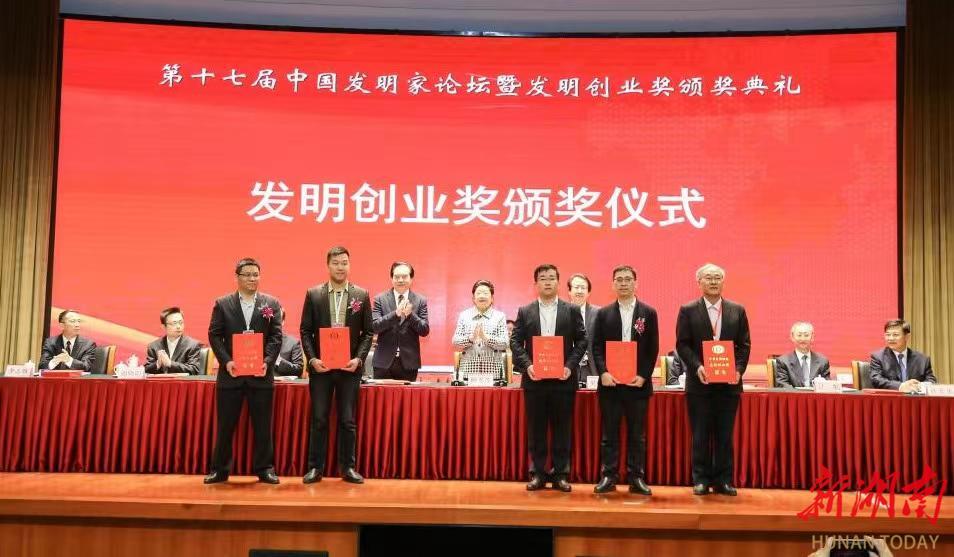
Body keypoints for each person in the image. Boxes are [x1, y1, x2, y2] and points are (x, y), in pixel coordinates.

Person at [204, 258, 283, 485]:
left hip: (261, 376)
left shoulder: (271, 303)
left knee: (263, 426)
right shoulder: (223, 304)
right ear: (237, 277)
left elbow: (276, 336)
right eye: (247, 274)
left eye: (255, 274)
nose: (252, 278)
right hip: (231, 376)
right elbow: (214, 335)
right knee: (225, 426)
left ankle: (265, 469)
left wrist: (267, 361)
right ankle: (220, 470)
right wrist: (226, 361)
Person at [300, 246, 373, 485]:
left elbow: (368, 333)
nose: (340, 267)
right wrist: (312, 359)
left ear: (349, 265)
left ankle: (348, 468)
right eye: (336, 263)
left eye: (344, 263)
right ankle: (315, 468)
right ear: (328, 265)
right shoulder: (314, 294)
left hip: (349, 368)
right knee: (319, 419)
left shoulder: (361, 295)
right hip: (321, 368)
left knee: (347, 420)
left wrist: (358, 359)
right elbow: (305, 331)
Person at [676, 263, 750, 497]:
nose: (714, 281)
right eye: (708, 277)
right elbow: (682, 344)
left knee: (724, 435)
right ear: (699, 282)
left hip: (729, 385)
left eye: (718, 277)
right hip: (700, 384)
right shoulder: (688, 310)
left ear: (723, 282)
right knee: (700, 434)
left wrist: (738, 369)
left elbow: (744, 345)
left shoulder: (737, 310)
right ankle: (700, 479)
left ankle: (724, 480)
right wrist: (697, 366)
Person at [510, 264, 586, 492]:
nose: (548, 282)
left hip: (563, 380)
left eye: (552, 278)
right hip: (535, 380)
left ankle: (561, 474)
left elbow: (582, 340)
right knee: (536, 429)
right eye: (543, 278)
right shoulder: (525, 311)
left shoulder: (571, 310)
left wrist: (569, 366)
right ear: (536, 284)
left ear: (558, 282)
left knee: (563, 429)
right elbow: (515, 342)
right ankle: (538, 473)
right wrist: (528, 365)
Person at [591, 265, 659, 496]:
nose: (623, 283)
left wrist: (643, 375)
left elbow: (652, 348)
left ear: (635, 283)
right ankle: (608, 476)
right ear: (613, 284)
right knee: (609, 435)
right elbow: (596, 346)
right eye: (619, 279)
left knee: (637, 436)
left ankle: (636, 477)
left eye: (628, 279)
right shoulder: (603, 313)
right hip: (610, 385)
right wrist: (603, 372)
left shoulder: (648, 313)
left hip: (637, 385)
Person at [371, 261, 430, 381]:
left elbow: (424, 330)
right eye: (397, 277)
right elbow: (374, 327)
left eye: (404, 276)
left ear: (411, 278)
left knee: (407, 394)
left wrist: (411, 315)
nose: (400, 280)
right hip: (383, 363)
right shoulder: (380, 299)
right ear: (391, 278)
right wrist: (395, 314)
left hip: (409, 363)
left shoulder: (420, 300)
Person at [451, 280, 509, 381]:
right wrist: (470, 339)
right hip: (467, 373)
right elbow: (455, 342)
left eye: (485, 293)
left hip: (494, 374)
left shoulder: (500, 316)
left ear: (492, 298)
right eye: (478, 293)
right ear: (473, 298)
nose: (482, 296)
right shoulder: (464, 316)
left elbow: (505, 343)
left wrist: (487, 338)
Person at [869, 319, 936, 392]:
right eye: (888, 335)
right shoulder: (878, 357)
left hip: (915, 397)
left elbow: (931, 380)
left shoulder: (922, 359)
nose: (891, 338)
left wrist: (919, 386)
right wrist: (901, 386)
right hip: (891, 397)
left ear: (907, 337)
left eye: (895, 335)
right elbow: (876, 379)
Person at [144, 306, 202, 375]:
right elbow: (146, 369)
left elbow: (194, 369)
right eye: (174, 323)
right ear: (163, 327)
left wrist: (170, 364)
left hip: (181, 382)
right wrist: (157, 364)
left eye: (181, 322)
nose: (178, 326)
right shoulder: (154, 346)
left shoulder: (192, 345)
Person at [774, 322, 830, 388]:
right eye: (799, 335)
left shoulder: (822, 361)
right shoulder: (783, 362)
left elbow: (827, 386)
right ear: (792, 337)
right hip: (793, 394)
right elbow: (783, 385)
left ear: (812, 337)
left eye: (806, 335)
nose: (803, 339)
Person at [567, 273, 600, 386]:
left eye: (583, 288)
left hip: (592, 369)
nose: (580, 291)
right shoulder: (560, 313)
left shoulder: (599, 313)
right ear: (569, 291)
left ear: (589, 292)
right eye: (576, 287)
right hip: (568, 370)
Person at [274, 308, 304, 377]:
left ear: (282, 322)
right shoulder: (258, 342)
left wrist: (278, 361)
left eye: (277, 319)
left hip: (282, 382)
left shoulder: (293, 343)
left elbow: (299, 370)